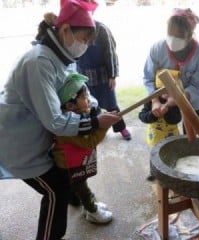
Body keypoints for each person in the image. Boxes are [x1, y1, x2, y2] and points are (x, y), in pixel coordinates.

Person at [0, 1, 120, 239]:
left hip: (38, 139)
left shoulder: (59, 56)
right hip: (18, 146)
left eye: (87, 41)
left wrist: (95, 108)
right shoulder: (39, 62)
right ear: (65, 30)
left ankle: (86, 204)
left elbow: (75, 87)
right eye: (83, 39)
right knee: (57, 189)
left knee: (68, 171)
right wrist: (95, 123)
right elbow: (55, 121)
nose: (84, 46)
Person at [52, 72, 113, 224]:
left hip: (72, 162)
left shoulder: (74, 114)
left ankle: (82, 203)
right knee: (82, 189)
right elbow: (89, 141)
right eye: (84, 97)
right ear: (70, 105)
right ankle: (92, 210)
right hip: (68, 165)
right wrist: (104, 127)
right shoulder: (68, 125)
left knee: (77, 188)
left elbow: (91, 120)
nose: (89, 100)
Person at [143, 7, 199, 135]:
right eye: (170, 36)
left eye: (179, 39)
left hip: (191, 101)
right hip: (162, 98)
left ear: (190, 36)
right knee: (163, 132)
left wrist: (181, 97)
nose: (172, 43)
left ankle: (189, 149)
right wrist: (155, 101)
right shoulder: (157, 48)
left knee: (190, 134)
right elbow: (148, 78)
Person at [77, 20, 131, 141]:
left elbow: (110, 52)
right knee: (91, 107)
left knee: (112, 106)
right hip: (84, 78)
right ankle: (99, 131)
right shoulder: (74, 29)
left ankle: (121, 128)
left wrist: (112, 75)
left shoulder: (101, 29)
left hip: (103, 78)